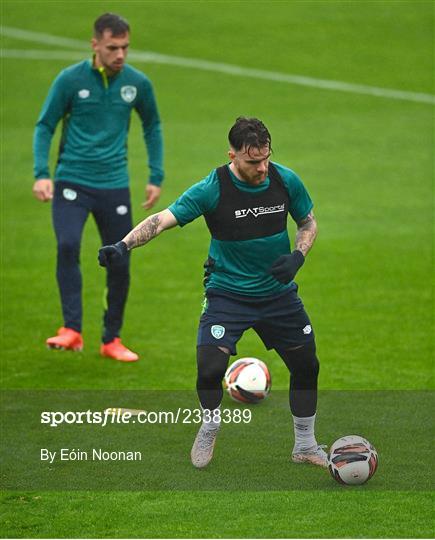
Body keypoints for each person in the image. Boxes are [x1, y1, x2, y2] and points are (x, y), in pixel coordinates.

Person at [99, 117, 326, 467]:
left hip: (277, 294)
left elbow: (307, 221)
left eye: (266, 157)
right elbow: (163, 219)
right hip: (228, 294)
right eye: (253, 162)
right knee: (208, 369)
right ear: (232, 155)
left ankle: (305, 445)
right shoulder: (213, 188)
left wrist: (298, 256)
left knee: (307, 365)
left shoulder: (284, 179)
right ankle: (210, 424)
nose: (262, 167)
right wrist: (123, 246)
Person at [33, 13, 164, 362]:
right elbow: (45, 125)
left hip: (114, 185)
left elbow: (152, 125)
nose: (120, 54)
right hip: (72, 181)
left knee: (120, 258)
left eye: (124, 47)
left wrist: (156, 175)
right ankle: (72, 330)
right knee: (68, 244)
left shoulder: (137, 83)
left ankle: (111, 339)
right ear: (95, 45)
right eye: (112, 48)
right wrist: (41, 172)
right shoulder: (70, 80)